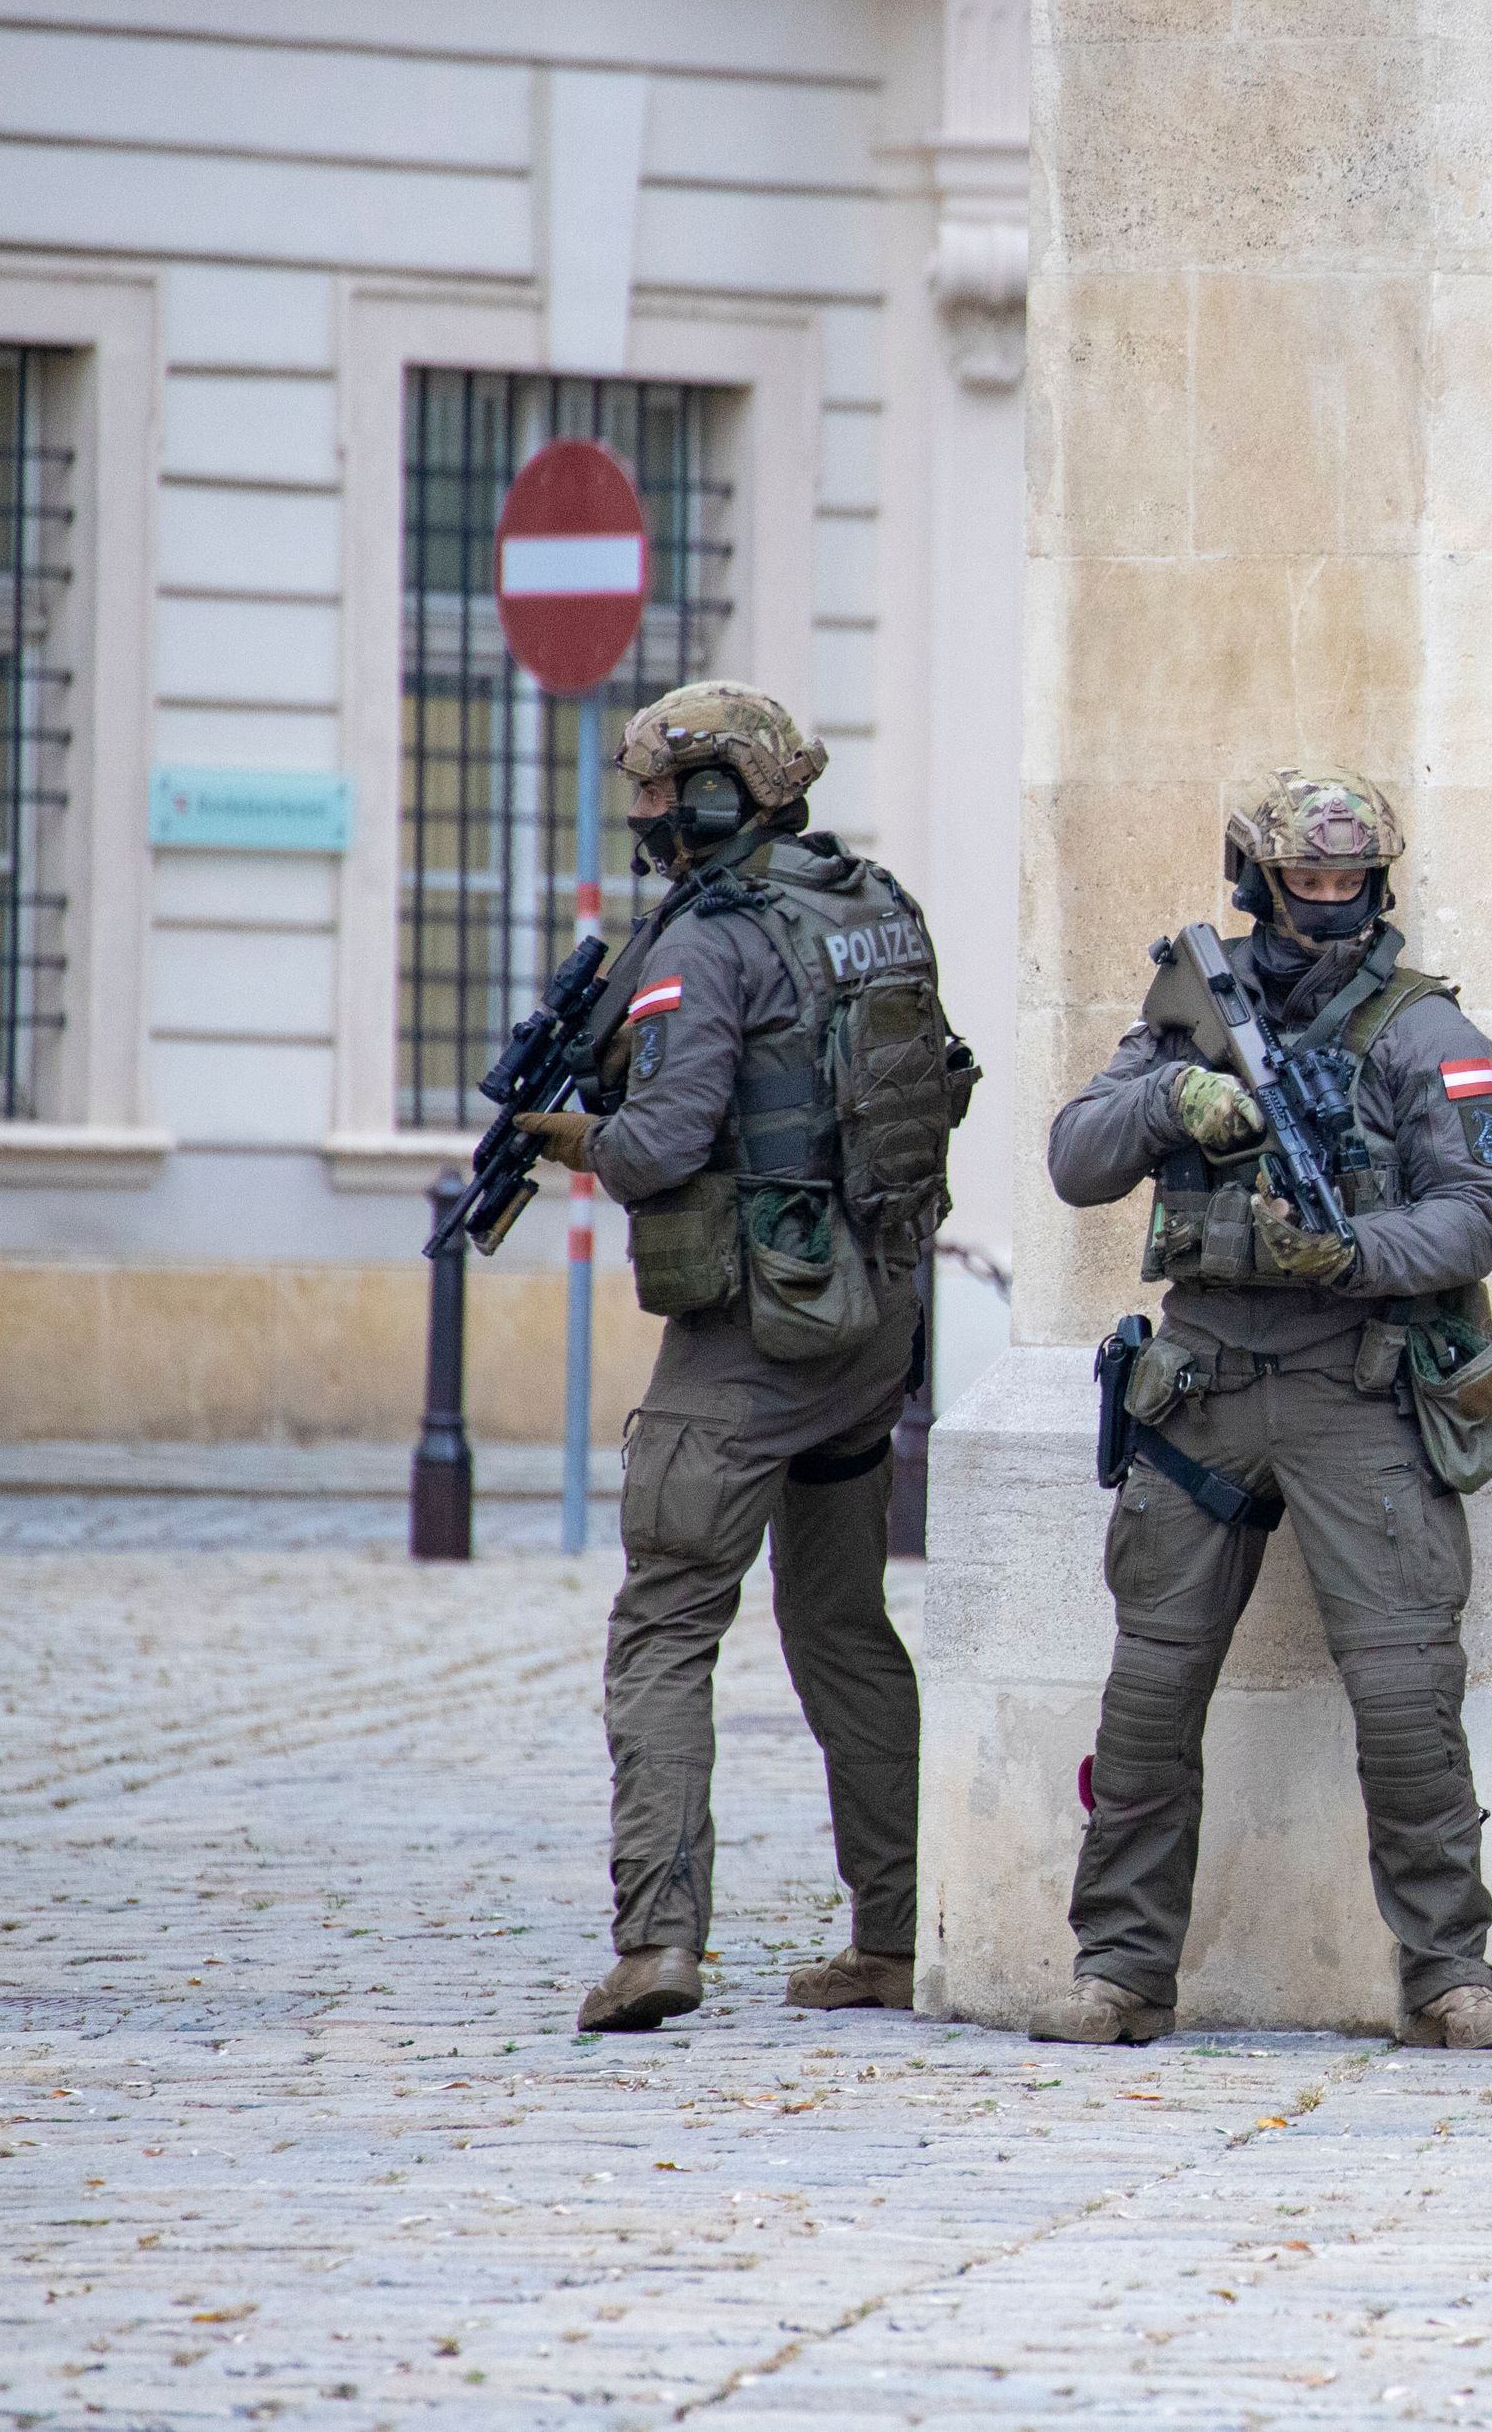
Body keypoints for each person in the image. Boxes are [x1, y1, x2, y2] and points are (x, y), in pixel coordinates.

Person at [1030, 769, 1492, 2051]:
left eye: (1350, 883)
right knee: (1149, 1694)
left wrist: (1345, 1254)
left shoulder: (1429, 1035)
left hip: (1353, 1388)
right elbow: (1076, 1158)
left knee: (1408, 1695)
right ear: (1257, 883)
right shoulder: (1193, 1011)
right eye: (1306, 883)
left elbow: (1477, 1216)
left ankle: (1448, 1975)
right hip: (1199, 1386)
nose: (1330, 905)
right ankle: (1122, 1971)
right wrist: (1165, 1098)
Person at [517, 680, 971, 2037]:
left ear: (721, 791)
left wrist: (569, 1136)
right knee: (841, 1624)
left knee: (664, 1623)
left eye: (661, 793)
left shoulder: (706, 938)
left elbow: (660, 1144)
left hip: (754, 1336)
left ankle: (657, 1938)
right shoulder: (872, 901)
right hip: (874, 1316)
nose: (648, 818)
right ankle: (892, 1934)